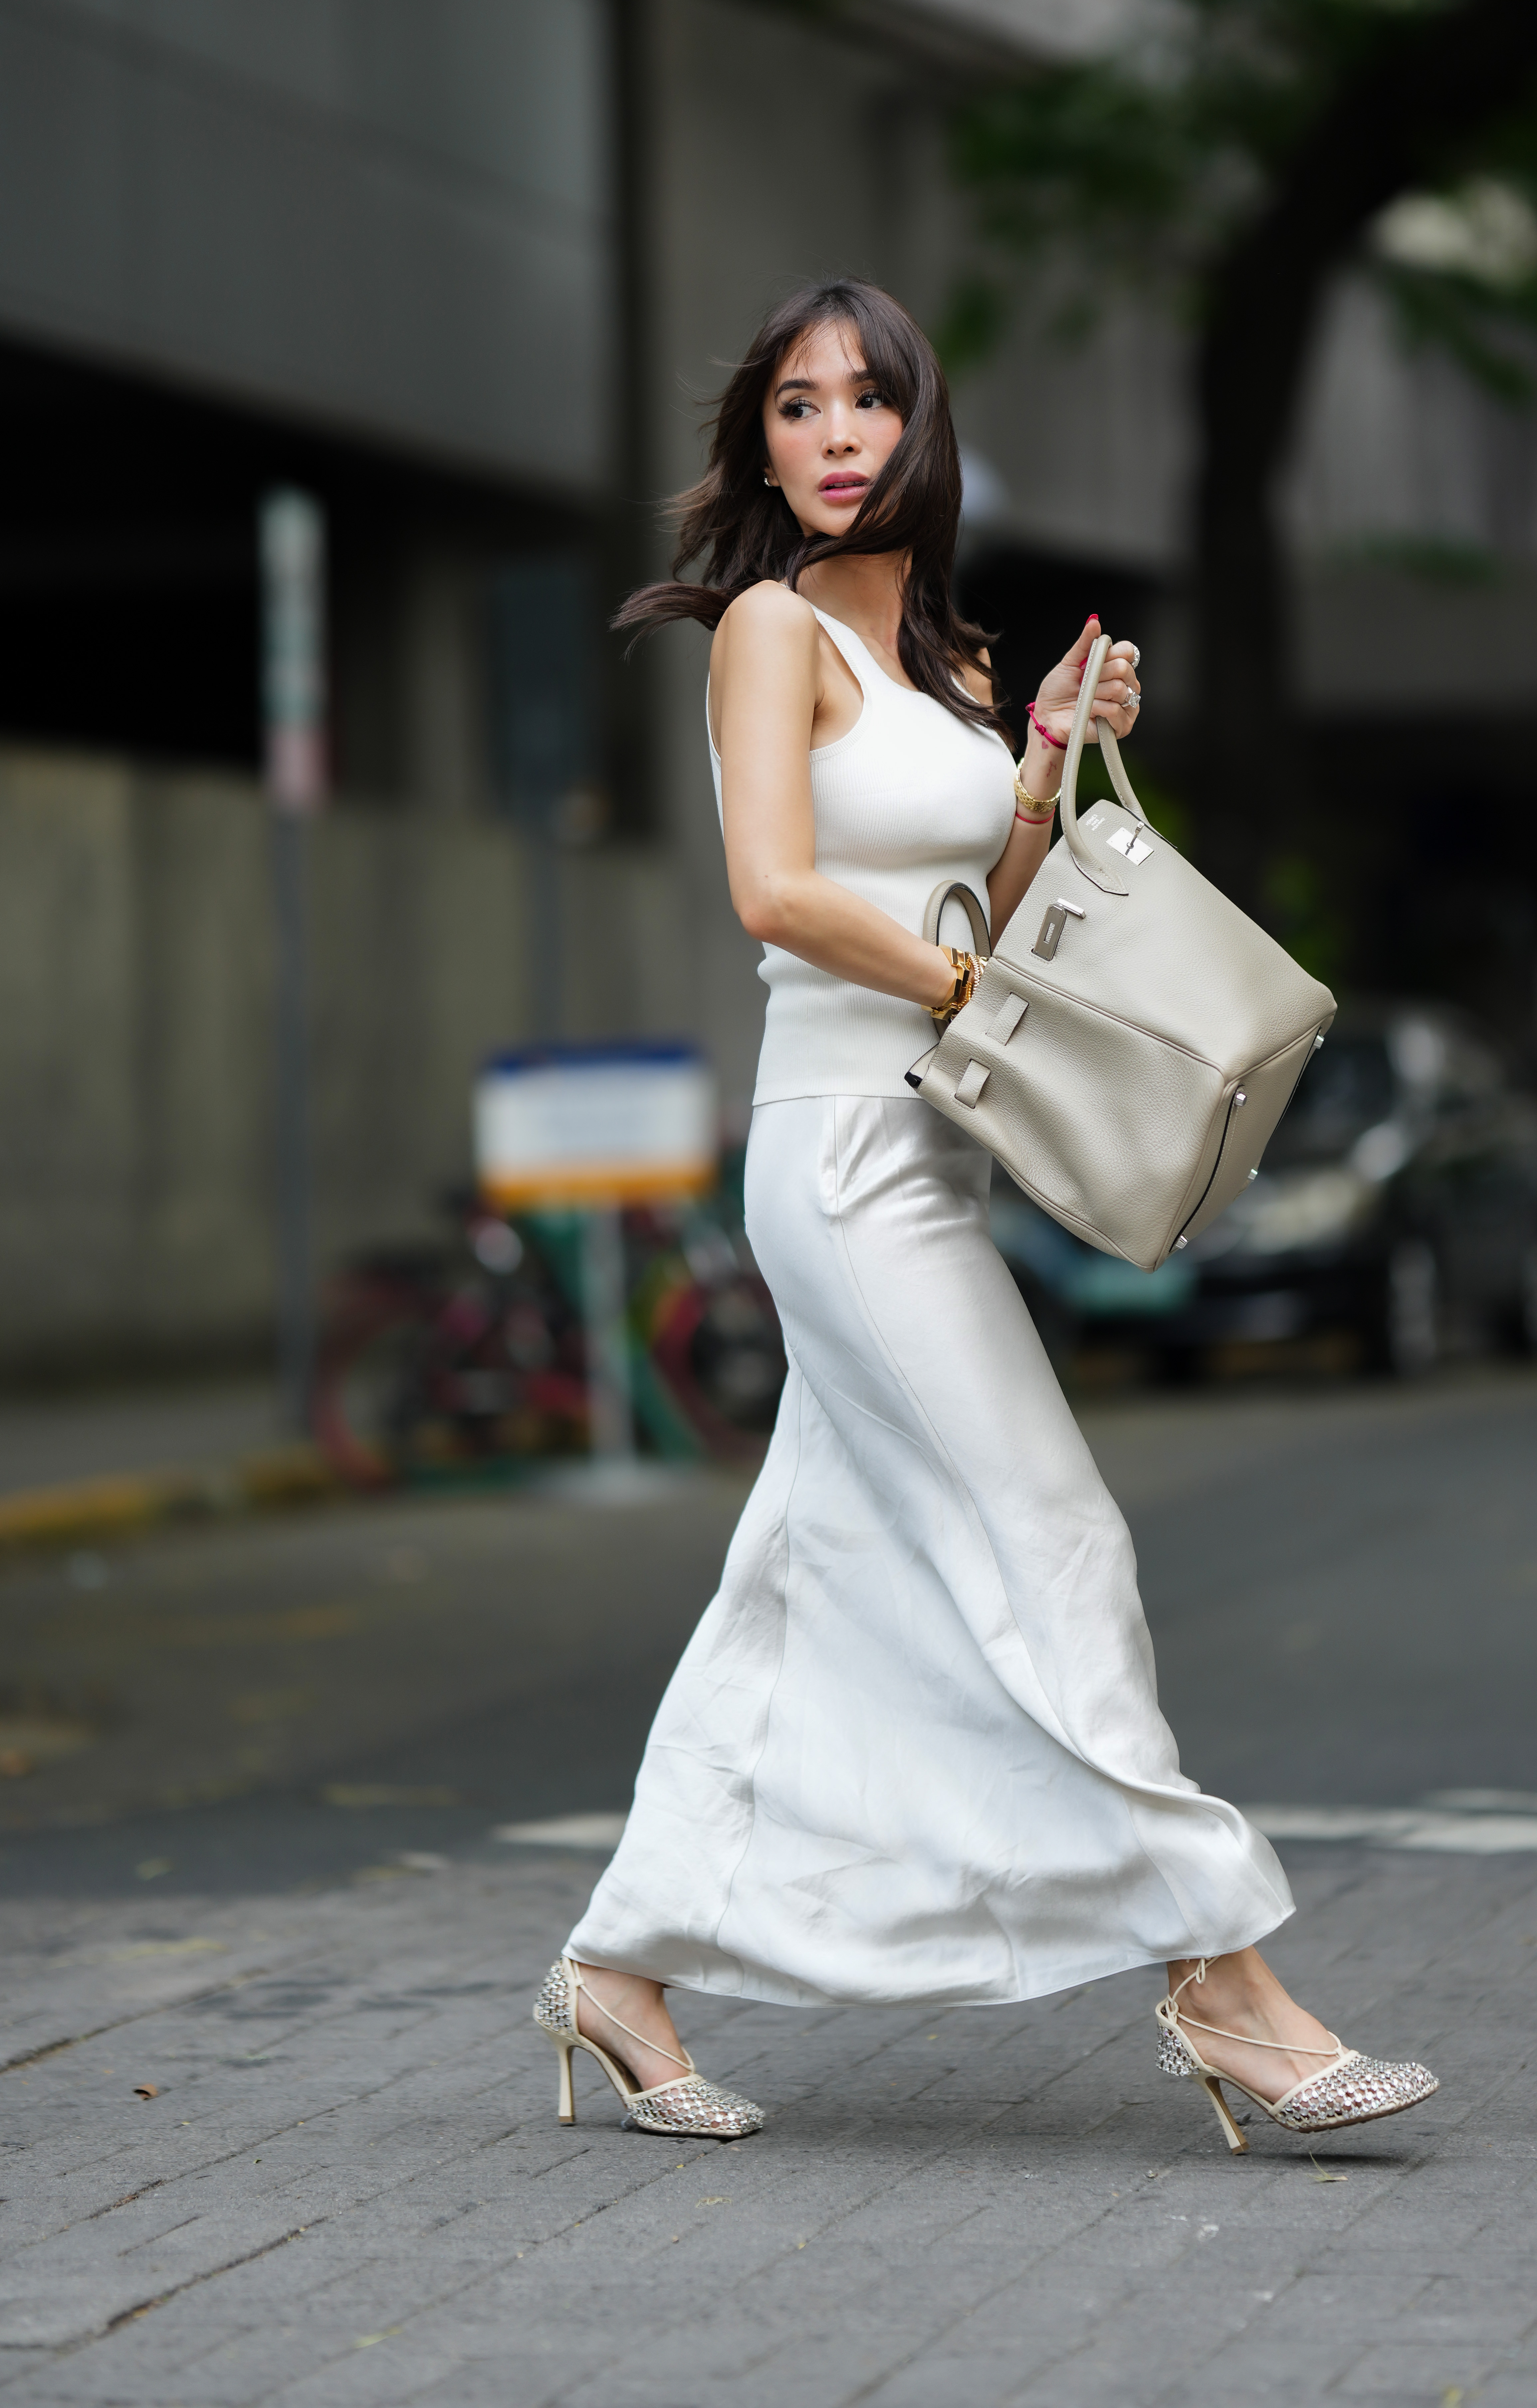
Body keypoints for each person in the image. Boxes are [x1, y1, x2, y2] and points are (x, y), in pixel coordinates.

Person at [531, 279, 1437, 2155]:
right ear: (763, 447)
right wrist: (966, 1006)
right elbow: (776, 894)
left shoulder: (938, 663)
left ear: (922, 431)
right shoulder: (770, 632)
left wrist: (1032, 761)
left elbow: (993, 911)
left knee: (795, 1578)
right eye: (798, 407)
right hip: (845, 1149)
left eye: (869, 403)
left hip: (931, 1145)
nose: (836, 436)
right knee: (1057, 1536)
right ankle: (1225, 1984)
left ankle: (615, 1972)